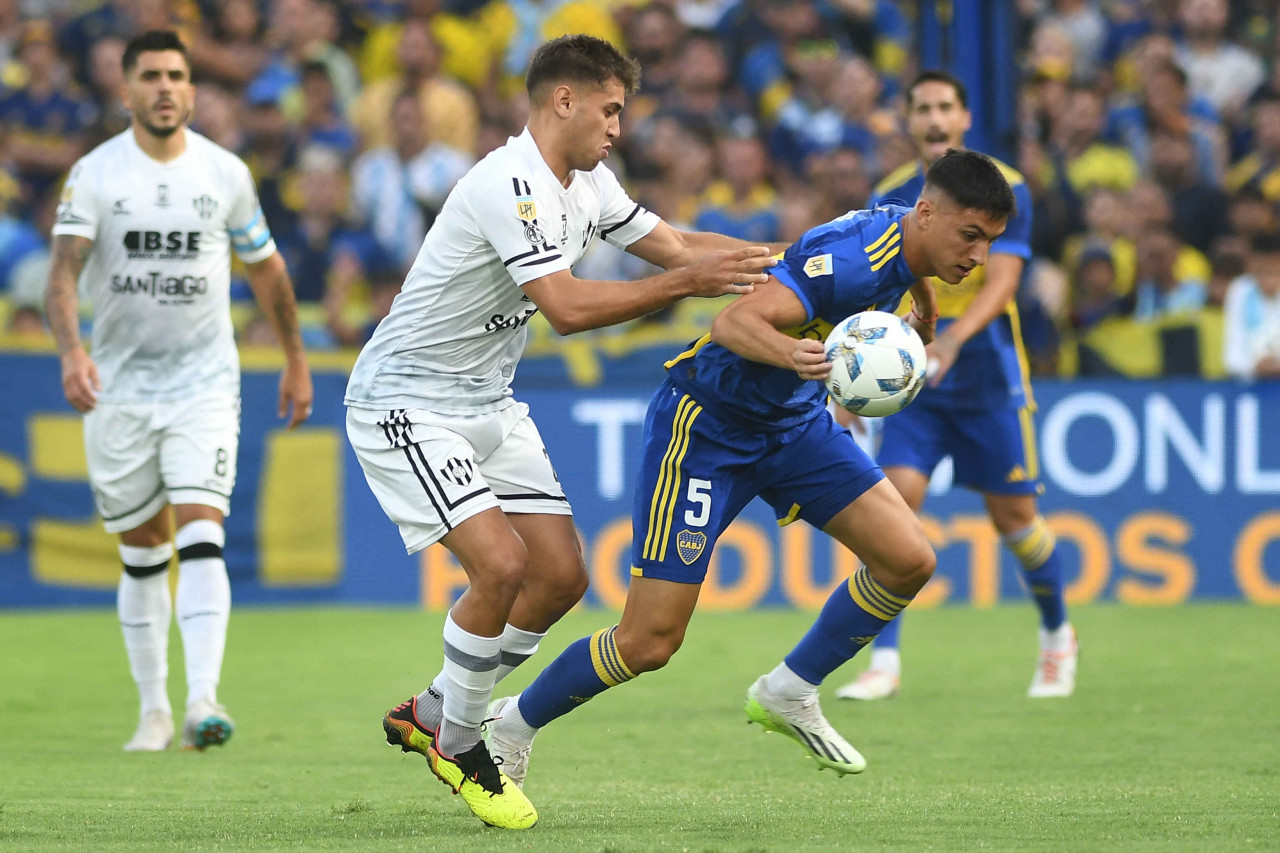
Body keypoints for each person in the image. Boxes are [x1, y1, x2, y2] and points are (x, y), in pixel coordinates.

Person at [343, 34, 779, 831]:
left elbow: (679, 245)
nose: (618, 127)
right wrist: (688, 284)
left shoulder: (589, 183)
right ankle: (463, 743)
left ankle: (436, 707)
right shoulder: (508, 183)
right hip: (406, 401)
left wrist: (797, 263)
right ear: (563, 100)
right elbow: (570, 308)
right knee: (501, 565)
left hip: (488, 400)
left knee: (560, 577)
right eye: (610, 109)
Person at [483, 149, 1016, 793]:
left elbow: (912, 256)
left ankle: (789, 690)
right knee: (649, 641)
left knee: (909, 559)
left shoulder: (912, 231)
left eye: (989, 241)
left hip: (793, 427)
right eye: (971, 236)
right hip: (707, 427)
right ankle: (512, 725)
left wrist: (925, 310)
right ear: (929, 214)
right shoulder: (847, 262)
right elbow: (734, 322)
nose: (980, 255)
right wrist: (799, 355)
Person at [46, 31, 312, 752]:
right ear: (126, 90)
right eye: (151, 76)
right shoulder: (94, 176)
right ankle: (153, 711)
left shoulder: (224, 173)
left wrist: (293, 354)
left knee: (201, 535)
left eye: (177, 75)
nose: (165, 87)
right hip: (120, 388)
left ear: (194, 91)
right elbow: (63, 275)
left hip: (204, 383)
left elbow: (267, 269)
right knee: (141, 550)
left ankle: (202, 701)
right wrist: (72, 350)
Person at [836, 70, 1077, 703]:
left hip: (989, 380)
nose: (936, 118)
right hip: (915, 386)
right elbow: (878, 290)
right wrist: (848, 381)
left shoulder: (1006, 188)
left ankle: (1057, 636)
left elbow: (1004, 282)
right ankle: (883, 661)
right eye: (923, 108)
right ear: (907, 119)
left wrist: (952, 339)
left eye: (946, 106)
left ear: (965, 116)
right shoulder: (891, 195)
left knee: (1016, 522)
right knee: (895, 509)